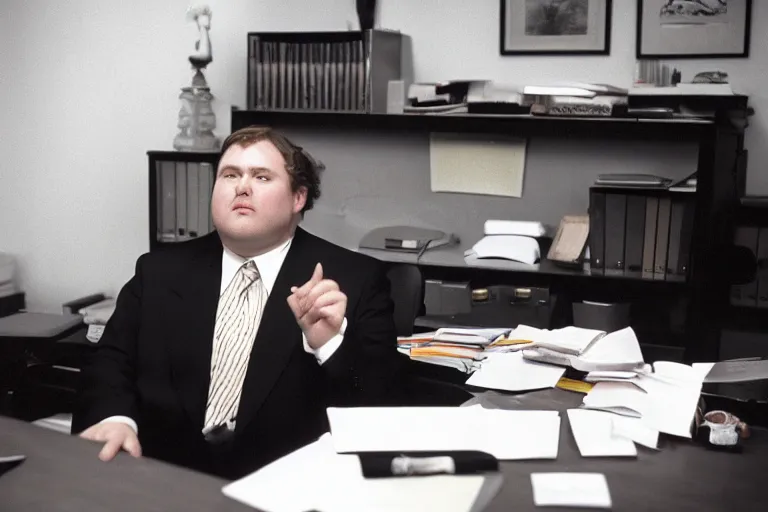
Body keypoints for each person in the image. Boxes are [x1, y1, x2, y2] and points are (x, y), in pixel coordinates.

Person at [72, 126, 404, 479]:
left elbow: (385, 403)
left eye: (261, 176)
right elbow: (109, 363)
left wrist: (330, 344)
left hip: (286, 487)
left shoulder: (355, 279)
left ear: (298, 198)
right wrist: (114, 419)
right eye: (230, 175)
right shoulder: (158, 271)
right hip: (164, 478)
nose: (242, 187)